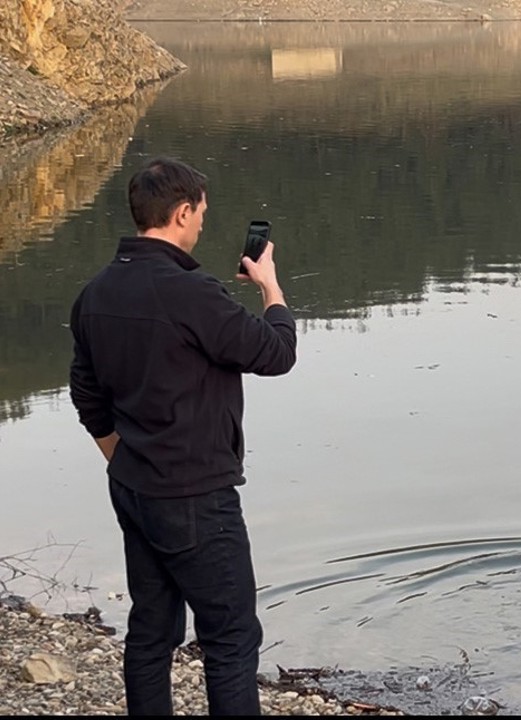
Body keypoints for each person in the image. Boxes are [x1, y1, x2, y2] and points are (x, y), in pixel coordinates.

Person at [68, 157, 297, 715]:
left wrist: (122, 455)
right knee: (231, 638)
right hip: (196, 494)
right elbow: (276, 353)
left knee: (151, 632)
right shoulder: (190, 292)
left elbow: (86, 393)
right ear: (181, 212)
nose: (200, 226)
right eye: (199, 214)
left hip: (133, 487)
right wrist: (271, 289)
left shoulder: (95, 293)